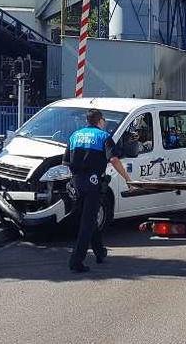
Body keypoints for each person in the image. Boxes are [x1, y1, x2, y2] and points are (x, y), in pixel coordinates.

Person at [64, 109, 132, 273]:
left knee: (89, 217)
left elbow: (66, 162)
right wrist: (127, 179)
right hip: (94, 183)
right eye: (104, 120)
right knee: (87, 222)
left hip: (77, 182)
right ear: (99, 121)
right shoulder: (103, 136)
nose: (105, 123)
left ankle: (99, 251)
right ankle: (76, 261)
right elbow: (114, 159)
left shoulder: (75, 136)